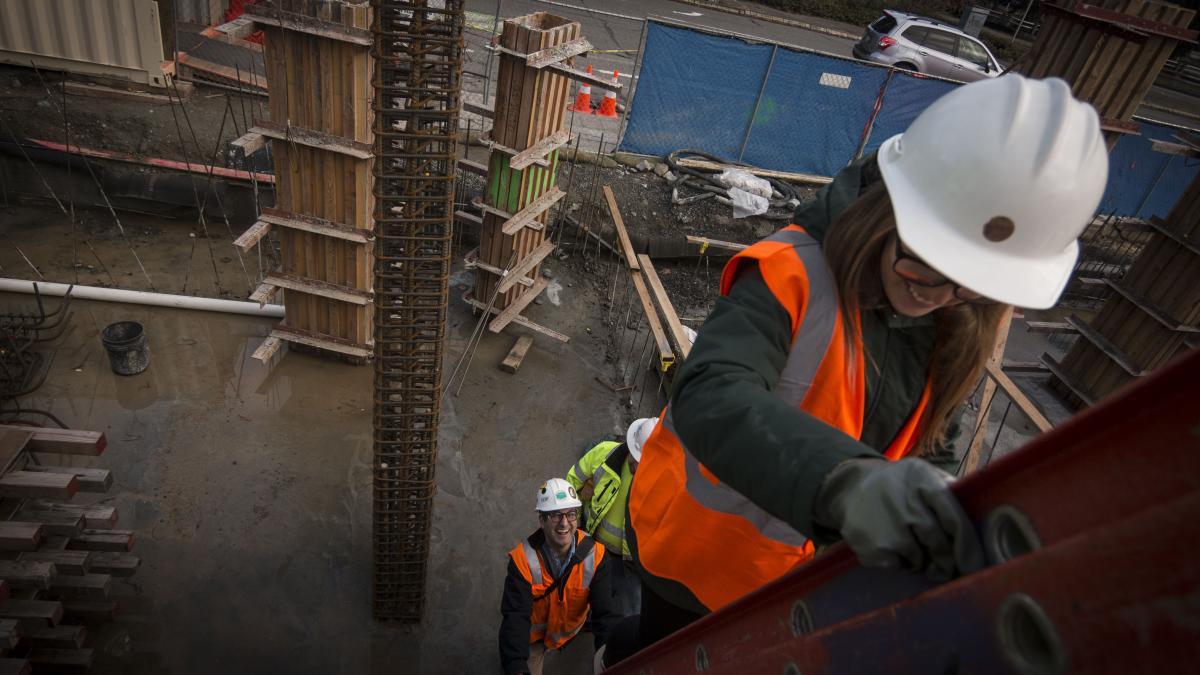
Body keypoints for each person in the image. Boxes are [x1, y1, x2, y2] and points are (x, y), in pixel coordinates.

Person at [604, 75, 1109, 662]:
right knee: (650, 654)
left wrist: (936, 499)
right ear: (889, 210)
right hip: (695, 557)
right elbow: (710, 394)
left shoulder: (965, 315)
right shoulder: (790, 273)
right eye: (924, 267)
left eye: (970, 286)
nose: (939, 296)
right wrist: (847, 483)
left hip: (799, 588)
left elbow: (935, 432)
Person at [499, 478, 618, 675]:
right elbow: (515, 617)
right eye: (555, 516)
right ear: (542, 520)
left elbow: (605, 614)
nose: (564, 524)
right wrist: (516, 666)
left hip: (571, 627)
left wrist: (610, 658)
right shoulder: (522, 562)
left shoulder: (596, 556)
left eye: (570, 514)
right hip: (534, 639)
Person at [566, 417, 658, 616]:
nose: (639, 468)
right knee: (577, 590)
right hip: (592, 543)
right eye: (637, 460)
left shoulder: (664, 483)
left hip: (630, 560)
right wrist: (571, 525)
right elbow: (571, 483)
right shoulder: (604, 454)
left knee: (629, 613)